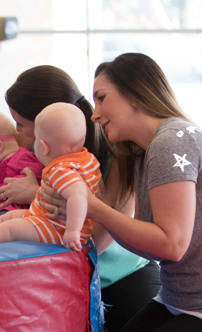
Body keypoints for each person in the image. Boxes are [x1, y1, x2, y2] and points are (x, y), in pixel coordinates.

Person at [39, 54, 202, 331]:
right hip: (176, 298)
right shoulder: (140, 152)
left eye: (102, 97)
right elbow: (151, 246)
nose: (95, 114)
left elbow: (171, 246)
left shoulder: (170, 142)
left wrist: (94, 207)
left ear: (135, 93)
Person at [0, 64, 159, 331]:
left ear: (49, 123)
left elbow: (99, 239)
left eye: (22, 124)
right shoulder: (39, 158)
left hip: (119, 275)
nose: (19, 133)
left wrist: (37, 195)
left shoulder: (115, 157)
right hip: (62, 275)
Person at [0, 103, 100, 251]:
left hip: (58, 228)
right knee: (10, 217)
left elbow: (79, 195)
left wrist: (73, 231)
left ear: (44, 147)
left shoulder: (61, 169)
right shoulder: (84, 159)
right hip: (51, 219)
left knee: (10, 228)